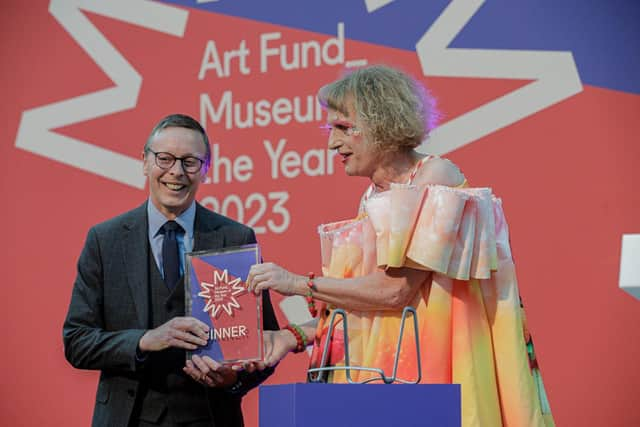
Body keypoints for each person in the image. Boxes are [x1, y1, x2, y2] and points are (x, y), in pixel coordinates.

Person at [246, 65, 555, 427]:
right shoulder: (370, 198)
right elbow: (362, 310)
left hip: (440, 379)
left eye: (343, 128)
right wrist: (291, 336)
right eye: (330, 129)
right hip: (390, 377)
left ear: (383, 123)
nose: (331, 143)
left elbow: (394, 292)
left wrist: (297, 283)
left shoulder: (435, 178)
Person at [63, 114, 279, 427]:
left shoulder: (235, 238)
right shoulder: (105, 240)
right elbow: (77, 341)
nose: (176, 171)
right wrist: (144, 340)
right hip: (129, 418)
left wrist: (232, 380)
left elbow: (265, 341)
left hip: (211, 417)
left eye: (190, 161)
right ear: (145, 162)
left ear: (205, 169)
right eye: (164, 159)